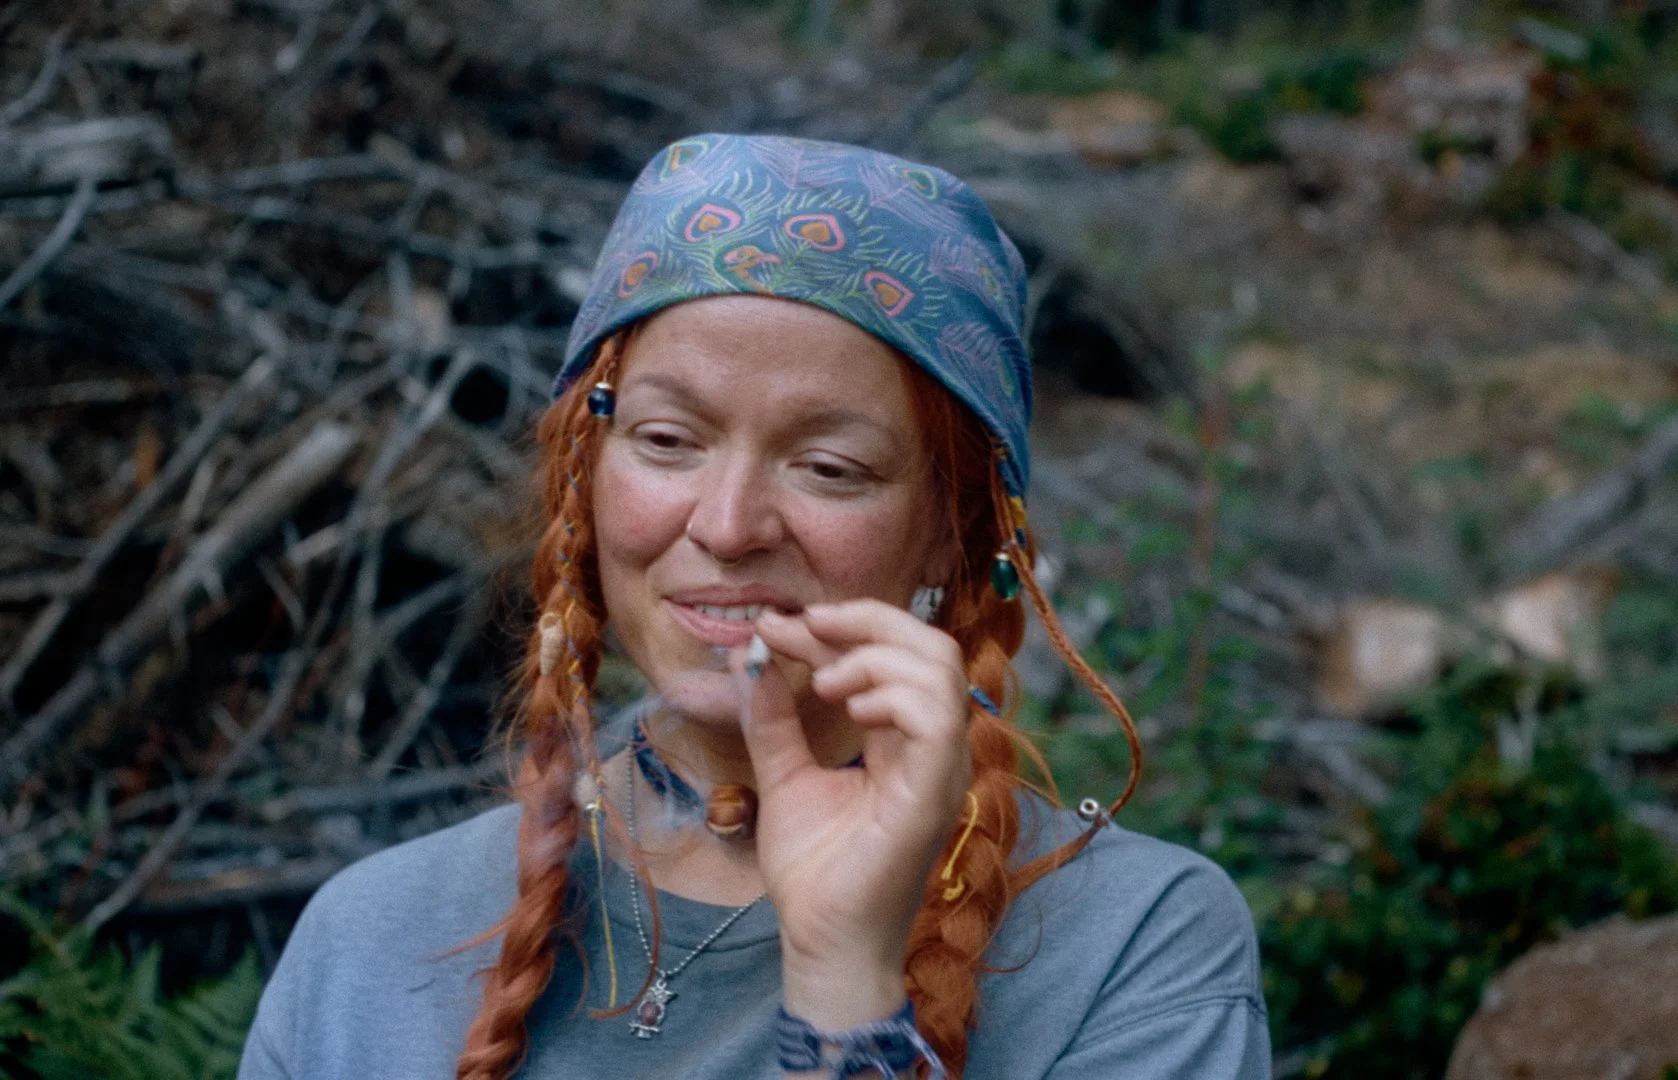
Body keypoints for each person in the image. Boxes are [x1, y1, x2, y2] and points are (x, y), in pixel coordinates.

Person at [237, 133, 1269, 1080]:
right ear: (585, 474)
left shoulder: (1129, 949)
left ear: (954, 530)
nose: (727, 526)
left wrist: (842, 980)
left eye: (828, 467)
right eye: (666, 442)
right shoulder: (372, 940)